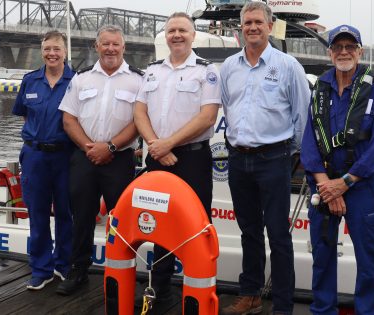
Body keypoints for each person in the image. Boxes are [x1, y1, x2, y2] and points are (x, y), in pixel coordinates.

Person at [219, 2, 310, 314]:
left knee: (278, 234)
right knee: (248, 231)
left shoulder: (288, 66)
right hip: (238, 158)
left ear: (270, 26)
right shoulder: (229, 67)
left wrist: (288, 154)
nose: (252, 28)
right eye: (247, 23)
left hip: (274, 158)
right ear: (241, 28)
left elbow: (302, 118)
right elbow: (226, 108)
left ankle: (283, 305)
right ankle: (251, 294)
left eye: (258, 22)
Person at [300, 24, 374, 315]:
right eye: (337, 47)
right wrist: (327, 184)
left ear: (360, 52)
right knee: (322, 257)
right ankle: (323, 309)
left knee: (368, 259)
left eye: (350, 47)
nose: (343, 52)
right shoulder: (320, 88)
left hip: (361, 186)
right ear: (329, 52)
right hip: (324, 185)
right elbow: (309, 140)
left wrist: (345, 183)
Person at [133, 11, 221, 305]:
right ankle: (159, 290)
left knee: (196, 225)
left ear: (193, 35)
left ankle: (198, 293)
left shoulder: (206, 72)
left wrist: (167, 143)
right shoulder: (152, 71)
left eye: (183, 30)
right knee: (158, 225)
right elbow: (139, 112)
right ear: (166, 36)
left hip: (192, 160)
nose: (177, 35)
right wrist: (155, 144)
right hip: (158, 157)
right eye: (172, 31)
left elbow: (208, 117)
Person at [56, 25, 144, 295]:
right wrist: (90, 147)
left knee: (120, 218)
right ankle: (78, 271)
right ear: (97, 47)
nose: (110, 49)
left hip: (119, 159)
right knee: (81, 216)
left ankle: (120, 272)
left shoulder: (138, 80)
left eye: (115, 44)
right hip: (85, 156)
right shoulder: (81, 79)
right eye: (105, 44)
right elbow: (68, 119)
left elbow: (138, 122)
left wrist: (110, 147)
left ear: (123, 47)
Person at [12, 30, 75, 290]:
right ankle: (41, 268)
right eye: (47, 48)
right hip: (35, 155)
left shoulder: (76, 81)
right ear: (42, 51)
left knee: (66, 212)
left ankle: (63, 265)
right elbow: (24, 114)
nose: (52, 53)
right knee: (37, 213)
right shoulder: (30, 81)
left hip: (65, 155)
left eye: (56, 49)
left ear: (65, 52)